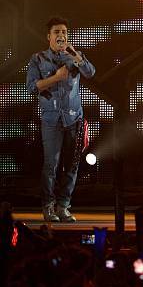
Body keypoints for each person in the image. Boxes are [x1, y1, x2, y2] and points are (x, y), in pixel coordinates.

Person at [26, 17, 96, 222]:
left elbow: (90, 73)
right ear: (49, 36)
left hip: (74, 118)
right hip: (51, 120)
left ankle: (63, 206)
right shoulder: (38, 59)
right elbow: (31, 87)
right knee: (51, 164)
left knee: (72, 165)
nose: (61, 35)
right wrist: (55, 78)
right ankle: (48, 206)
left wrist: (76, 56)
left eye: (64, 32)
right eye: (57, 32)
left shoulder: (75, 56)